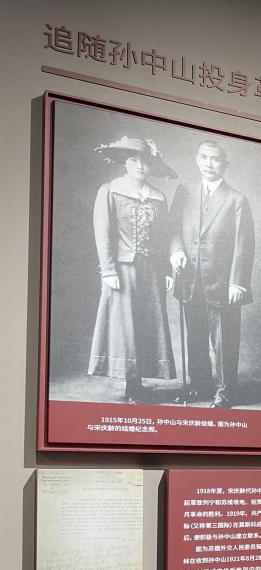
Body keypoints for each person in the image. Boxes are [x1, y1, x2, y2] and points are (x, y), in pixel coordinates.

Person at [87, 136, 178, 404]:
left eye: (145, 161)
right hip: (123, 269)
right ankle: (132, 384)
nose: (140, 166)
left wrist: (167, 271)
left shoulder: (158, 197)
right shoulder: (110, 190)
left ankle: (140, 381)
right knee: (126, 325)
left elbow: (163, 237)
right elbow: (102, 232)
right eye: (134, 160)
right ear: (124, 163)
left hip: (152, 270)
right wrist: (108, 270)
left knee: (148, 324)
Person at [168, 139, 255, 408]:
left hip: (222, 283)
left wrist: (238, 282)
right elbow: (172, 228)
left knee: (224, 340)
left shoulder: (236, 199)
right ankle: (199, 385)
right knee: (195, 337)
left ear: (224, 164)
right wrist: (176, 251)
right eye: (204, 157)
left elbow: (244, 243)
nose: (209, 163)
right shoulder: (184, 192)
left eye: (215, 159)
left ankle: (225, 391)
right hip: (190, 279)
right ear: (197, 160)